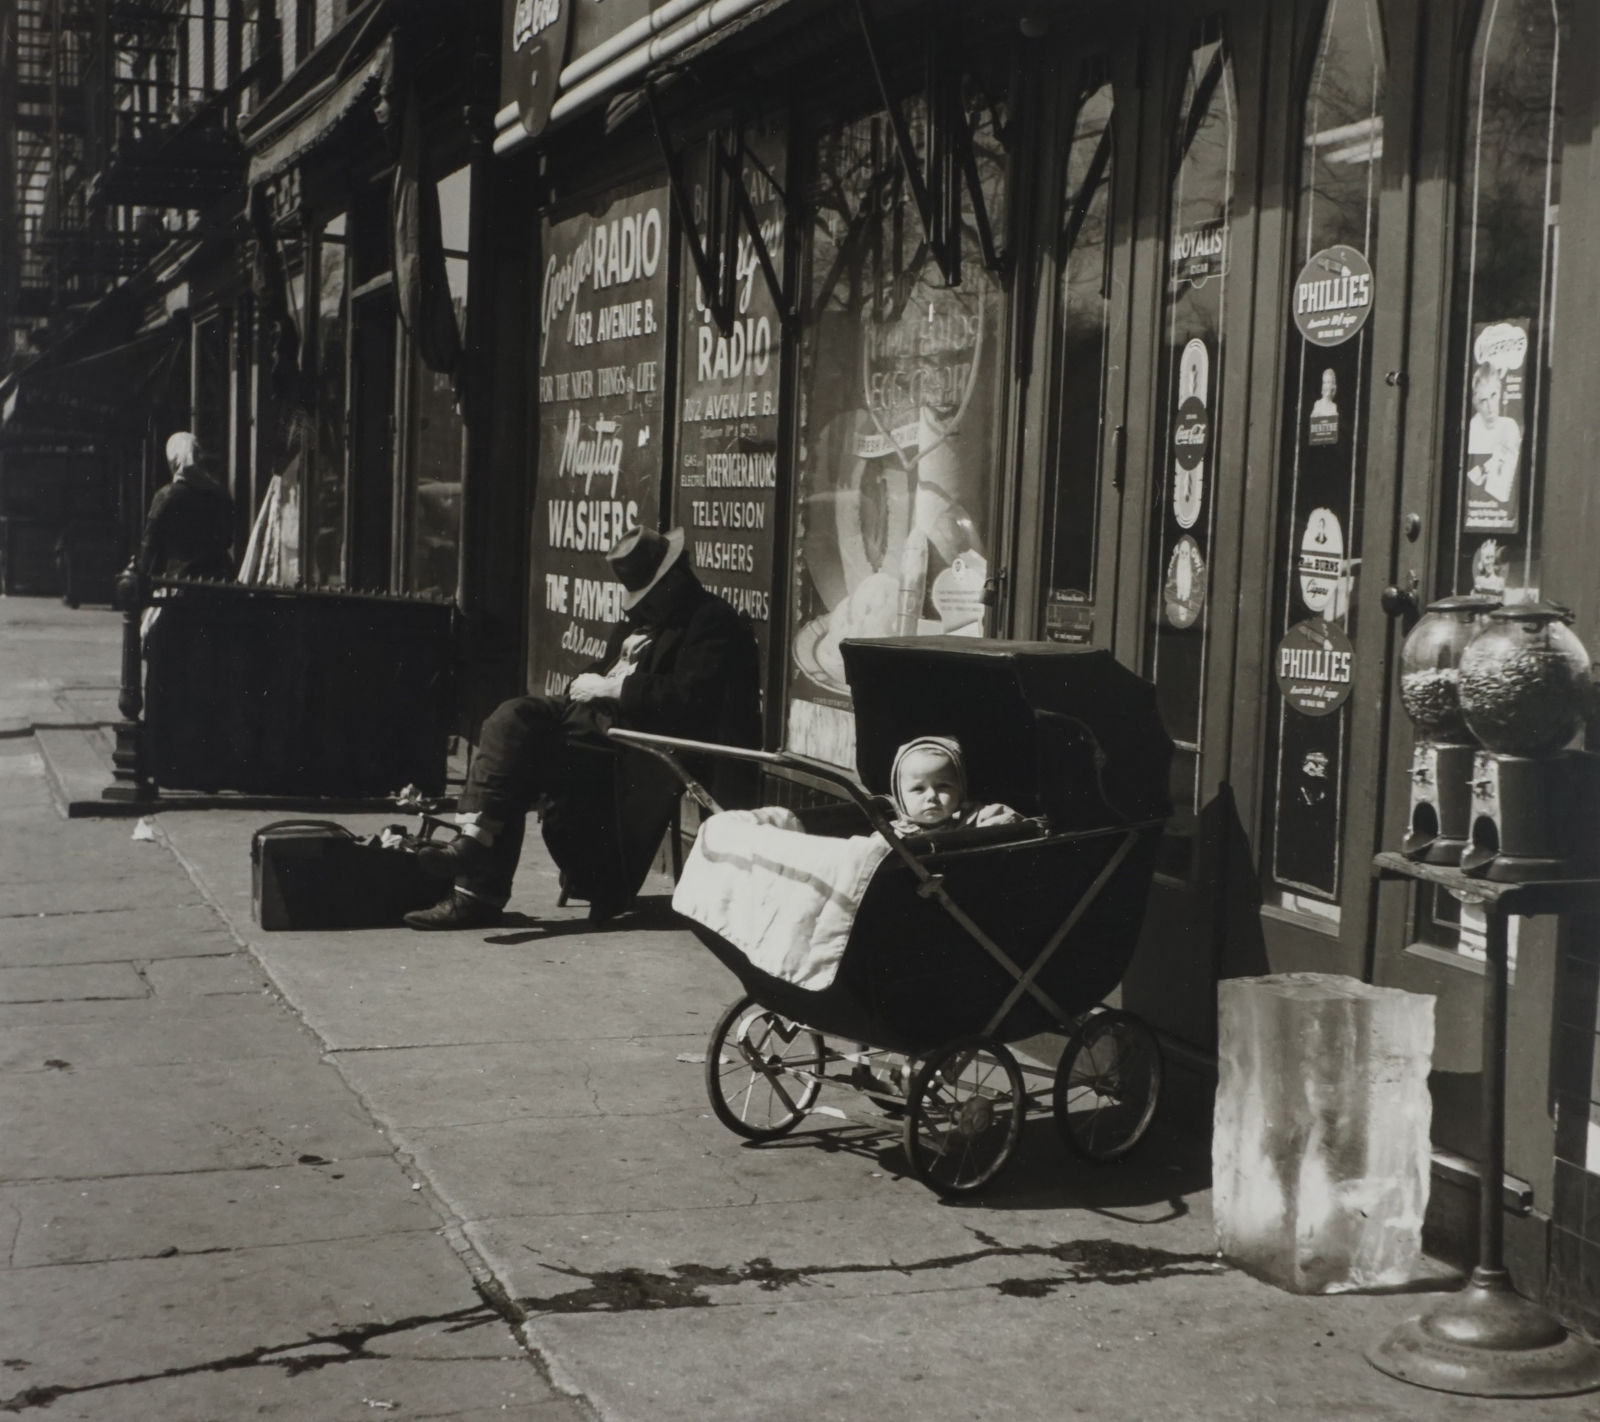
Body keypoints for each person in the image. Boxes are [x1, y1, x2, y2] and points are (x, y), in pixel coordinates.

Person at [405, 525, 762, 930]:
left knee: (514, 727)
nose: (642, 604)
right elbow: (603, 669)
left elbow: (691, 699)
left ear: (675, 578)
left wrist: (612, 686)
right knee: (508, 725)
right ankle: (474, 854)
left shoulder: (710, 620)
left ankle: (474, 876)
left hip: (637, 738)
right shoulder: (643, 620)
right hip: (595, 725)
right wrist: (589, 681)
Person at [137, 432, 235, 581]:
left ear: (174, 461)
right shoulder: (220, 494)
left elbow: (149, 542)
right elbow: (227, 539)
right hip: (216, 579)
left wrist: (139, 575)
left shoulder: (166, 495)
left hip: (177, 581)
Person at [887, 736, 1020, 836]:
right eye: (918, 788)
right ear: (900, 798)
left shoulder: (977, 818)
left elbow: (1009, 820)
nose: (931, 796)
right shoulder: (892, 836)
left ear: (960, 789)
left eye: (942, 786)